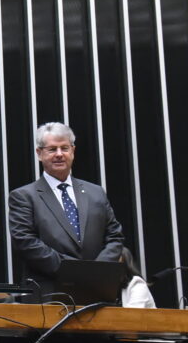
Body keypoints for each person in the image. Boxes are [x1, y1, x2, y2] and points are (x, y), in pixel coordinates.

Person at [8, 121, 124, 296]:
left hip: (97, 292)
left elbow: (115, 237)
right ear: (39, 153)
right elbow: (26, 243)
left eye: (65, 148)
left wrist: (98, 271)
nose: (59, 154)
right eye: (52, 149)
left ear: (73, 151)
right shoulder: (24, 196)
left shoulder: (96, 193)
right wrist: (76, 271)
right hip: (47, 295)